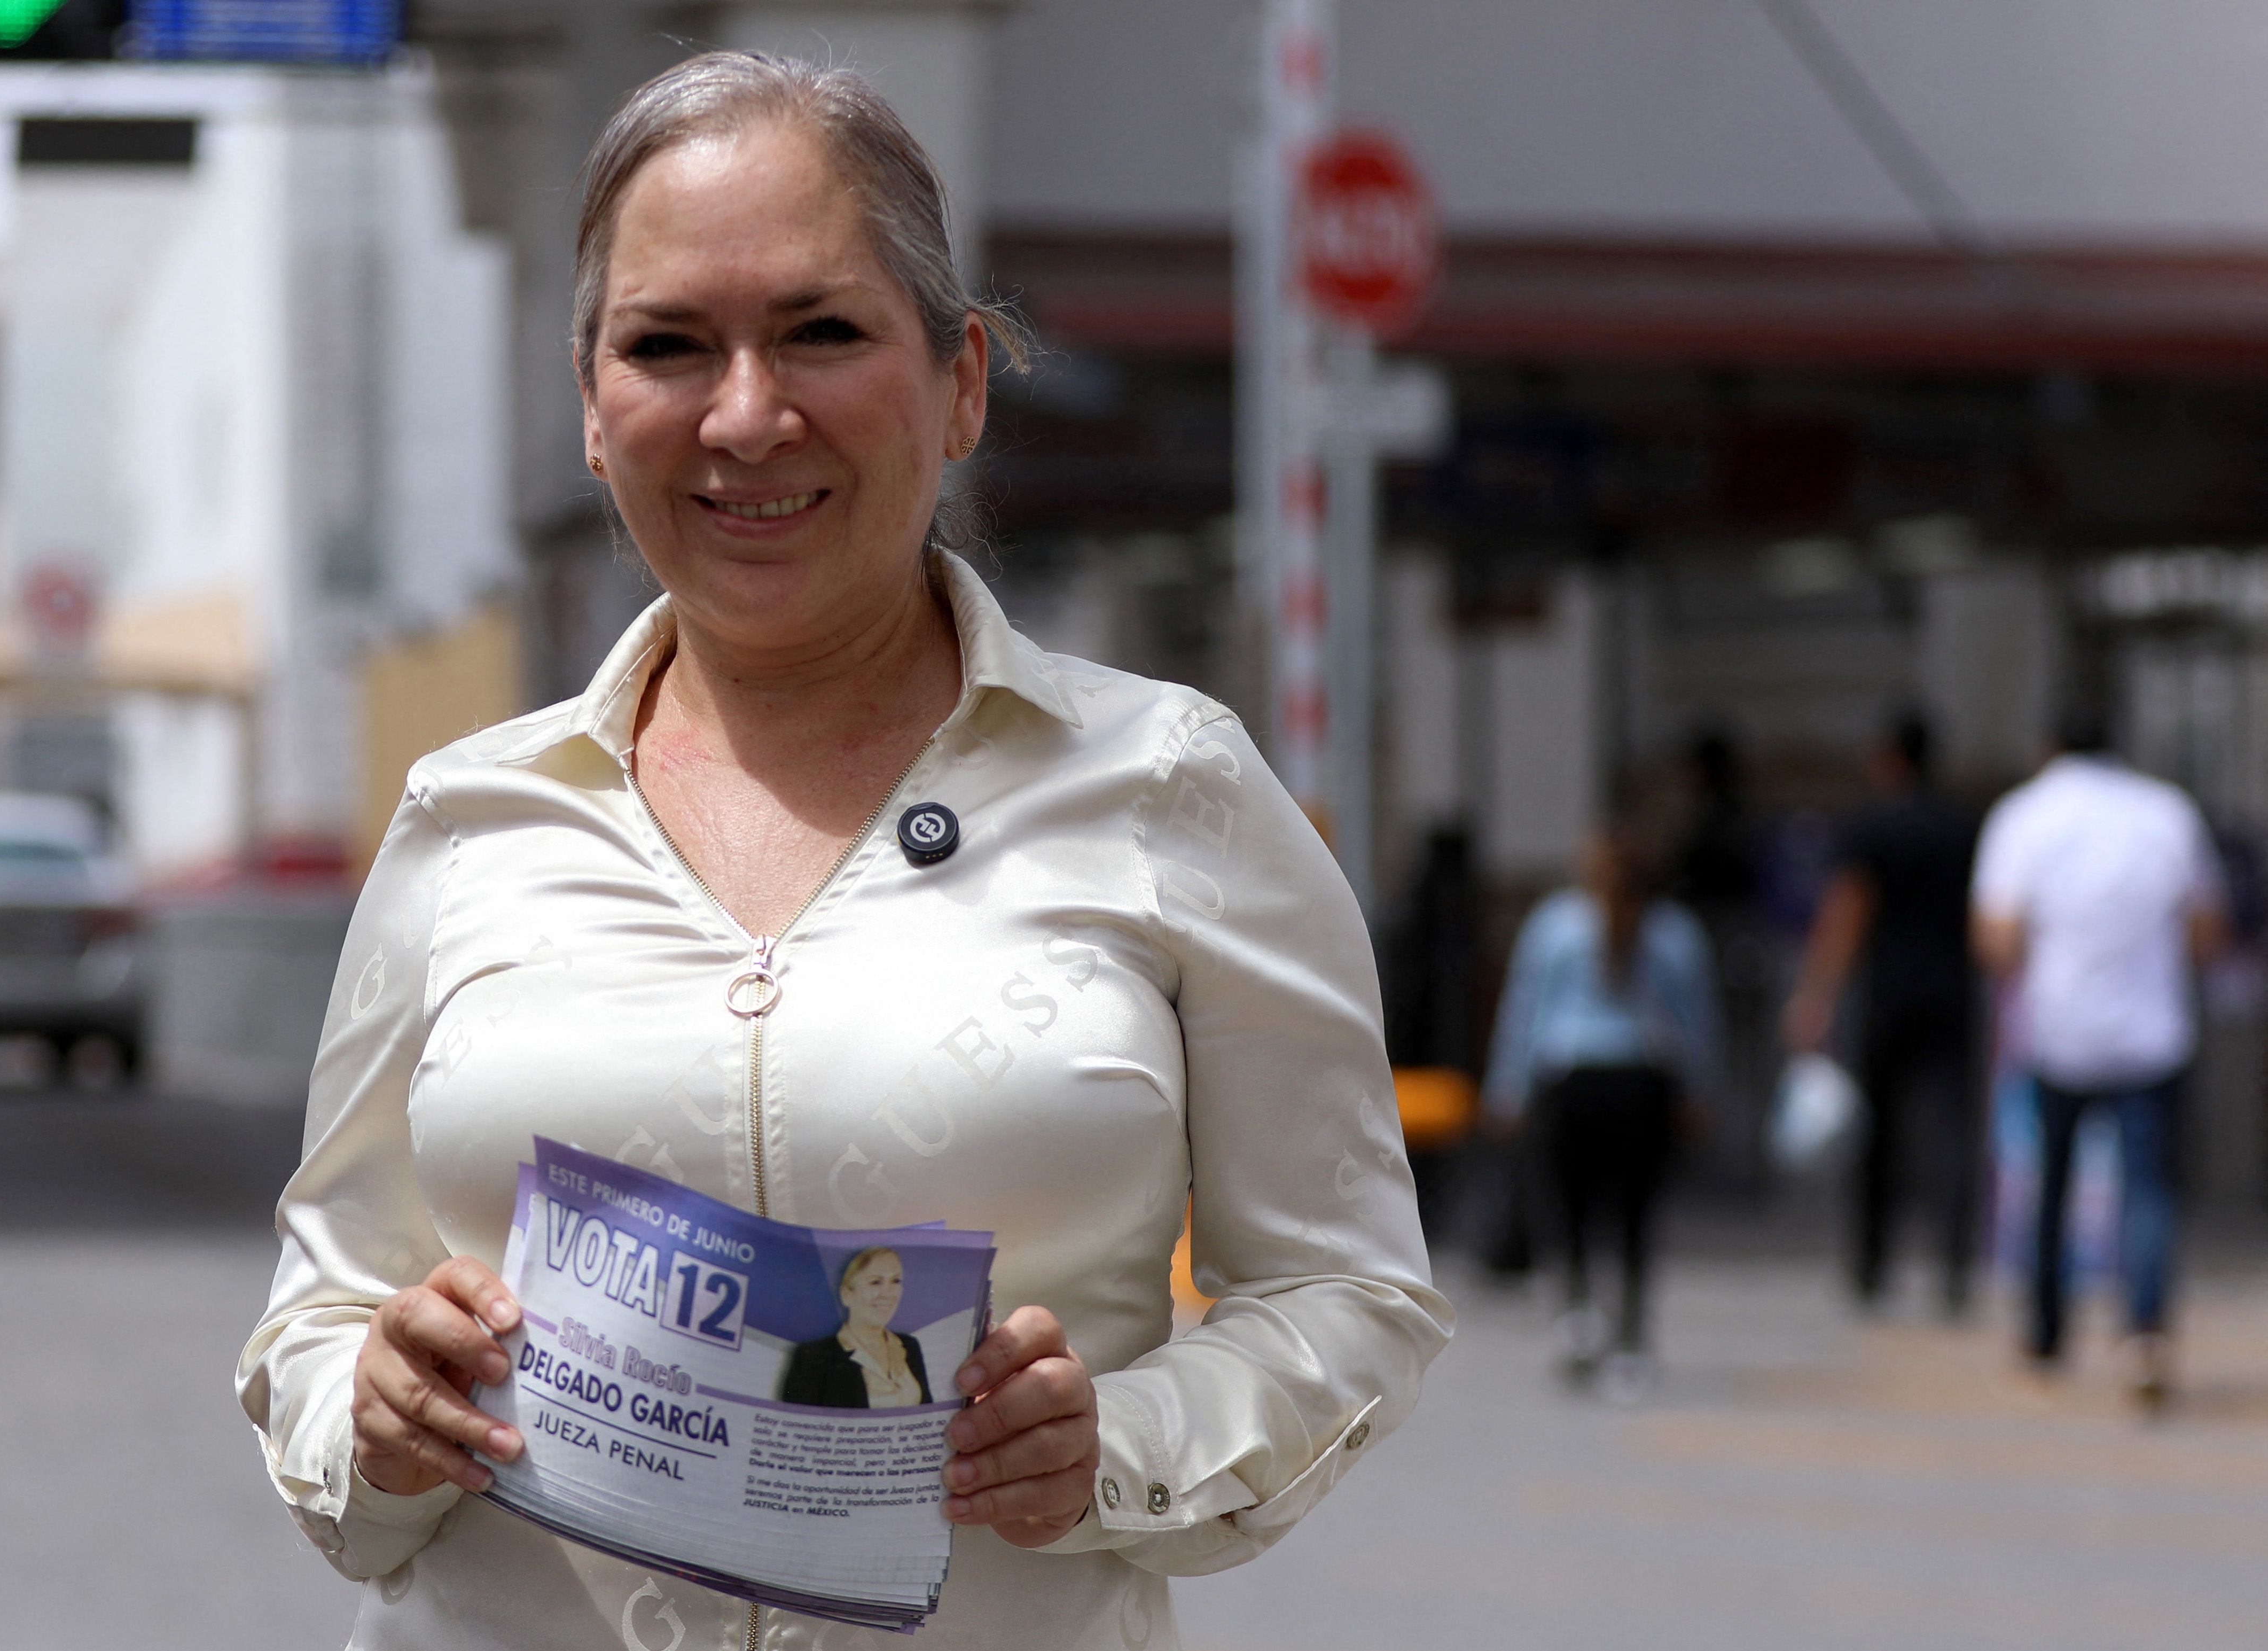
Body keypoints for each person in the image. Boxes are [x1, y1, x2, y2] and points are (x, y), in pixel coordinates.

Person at [238, 52, 1449, 1650]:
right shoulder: (471, 818)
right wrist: (368, 1407)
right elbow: (319, 1312)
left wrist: (1117, 1448)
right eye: (666, 347)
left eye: (819, 331)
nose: (746, 414)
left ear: (957, 382)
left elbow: (1344, 1290)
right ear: (594, 416)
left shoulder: (1168, 786)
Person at [1972, 704, 2228, 1412]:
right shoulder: (2165, 812)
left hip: (2059, 1030)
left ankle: (2047, 1331)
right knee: (2148, 1188)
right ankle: (2145, 1332)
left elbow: (1995, 938)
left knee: (2050, 1184)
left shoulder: (2023, 816)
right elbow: (2207, 931)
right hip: (2153, 1031)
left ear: (2046, 747)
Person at [1485, 821, 1722, 1401]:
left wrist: (1507, 1086)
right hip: (1642, 1080)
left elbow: (1524, 1009)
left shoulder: (1553, 926)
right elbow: (1695, 1021)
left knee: (1566, 1206)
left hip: (1568, 1079)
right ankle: (1631, 1341)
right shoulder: (1674, 933)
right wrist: (1698, 1090)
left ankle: (1574, 1311)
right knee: (1633, 1218)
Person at [1782, 713, 1983, 1315]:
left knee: (1878, 1134)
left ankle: (1872, 1262)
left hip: (1885, 994)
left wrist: (1815, 992)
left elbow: (1848, 911)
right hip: (1951, 992)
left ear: (1888, 758)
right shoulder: (1962, 827)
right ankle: (1953, 1260)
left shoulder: (1868, 827)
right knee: (1950, 1130)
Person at [779, 1247, 932, 1408]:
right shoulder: (813, 1357)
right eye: (875, 1282)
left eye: (896, 1281)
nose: (887, 1293)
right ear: (847, 1295)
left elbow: (928, 1415)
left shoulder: (909, 1346)